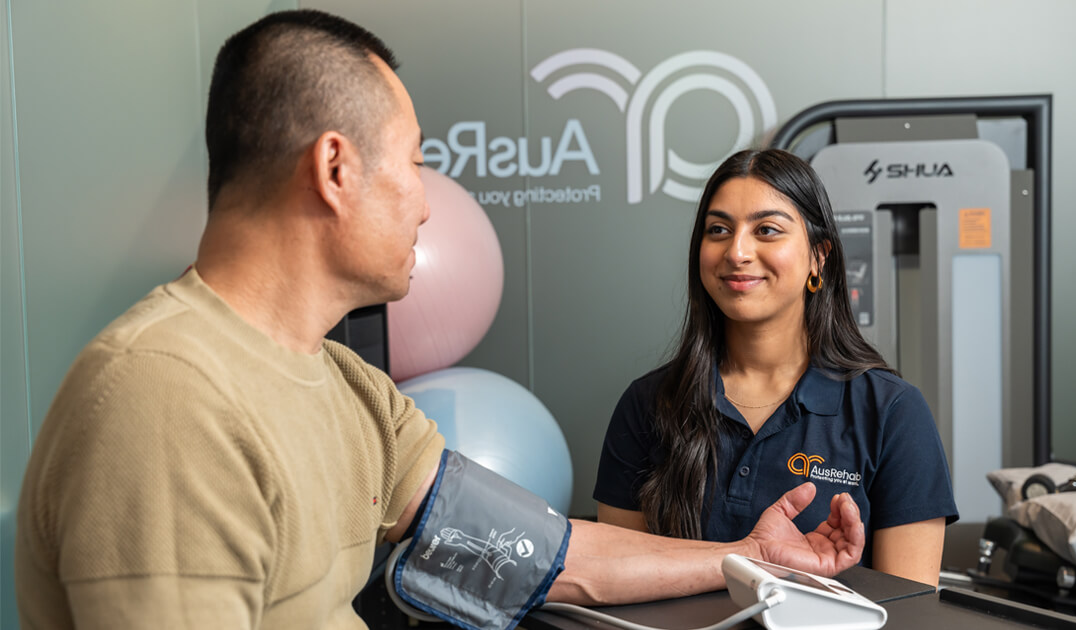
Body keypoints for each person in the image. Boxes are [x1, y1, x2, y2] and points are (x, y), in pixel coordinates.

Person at [14, 11, 865, 629]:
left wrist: (746, 560)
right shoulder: (167, 400)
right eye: (419, 162)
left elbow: (547, 554)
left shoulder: (348, 389)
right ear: (335, 169)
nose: (429, 202)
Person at [594, 148, 958, 586]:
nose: (738, 251)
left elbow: (909, 612)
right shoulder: (648, 404)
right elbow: (611, 579)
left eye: (766, 230)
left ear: (818, 257)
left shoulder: (893, 413)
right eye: (718, 230)